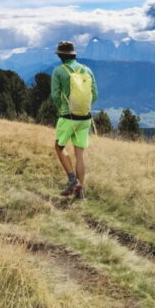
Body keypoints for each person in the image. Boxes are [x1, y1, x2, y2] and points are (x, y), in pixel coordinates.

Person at [51, 41, 98, 199]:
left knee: (59, 147)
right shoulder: (87, 70)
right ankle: (80, 192)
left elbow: (55, 96)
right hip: (85, 118)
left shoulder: (59, 71)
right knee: (80, 155)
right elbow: (95, 94)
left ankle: (72, 180)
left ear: (61, 56)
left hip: (68, 116)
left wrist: (62, 109)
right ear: (74, 54)